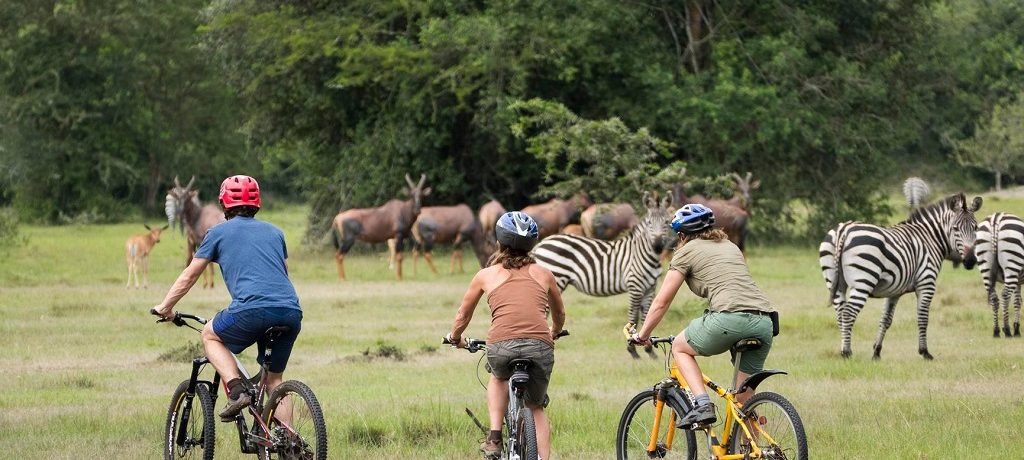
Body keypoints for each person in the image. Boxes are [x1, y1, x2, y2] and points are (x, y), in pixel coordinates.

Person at [152, 175, 302, 422]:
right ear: (257, 204)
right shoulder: (276, 233)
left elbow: (190, 275)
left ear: (223, 204)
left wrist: (165, 307)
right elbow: (282, 273)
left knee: (210, 334)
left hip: (251, 310)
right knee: (275, 380)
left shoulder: (217, 232)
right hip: (290, 311)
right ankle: (289, 443)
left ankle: (236, 391)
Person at [629, 203, 775, 428]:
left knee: (679, 347)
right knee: (743, 402)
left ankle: (703, 405)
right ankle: (756, 450)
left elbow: (661, 302)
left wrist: (642, 335)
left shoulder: (685, 251)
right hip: (765, 321)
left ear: (681, 234)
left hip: (729, 318)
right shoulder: (731, 246)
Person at [445, 211, 567, 459]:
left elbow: (462, 315)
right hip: (539, 346)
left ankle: (494, 436)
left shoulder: (485, 275)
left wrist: (456, 337)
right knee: (536, 407)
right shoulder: (544, 274)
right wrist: (553, 330)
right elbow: (560, 312)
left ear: (499, 242)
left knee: (498, 378)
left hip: (501, 346)